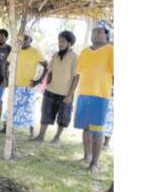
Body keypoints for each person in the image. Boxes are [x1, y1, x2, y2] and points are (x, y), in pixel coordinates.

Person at [73, 26, 114, 175]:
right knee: (86, 128)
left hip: (101, 95)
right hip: (84, 94)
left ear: (107, 35)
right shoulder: (84, 52)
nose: (96, 34)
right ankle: (86, 156)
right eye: (94, 31)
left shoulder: (111, 50)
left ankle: (94, 163)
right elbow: (77, 74)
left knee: (97, 130)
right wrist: (71, 93)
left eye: (100, 31)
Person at [32, 31, 79, 143]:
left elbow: (76, 77)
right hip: (51, 91)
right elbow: (50, 71)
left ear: (69, 43)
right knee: (45, 115)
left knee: (63, 118)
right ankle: (40, 136)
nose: (60, 43)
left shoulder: (75, 57)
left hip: (65, 94)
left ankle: (57, 138)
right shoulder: (55, 55)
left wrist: (70, 95)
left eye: (63, 41)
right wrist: (47, 85)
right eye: (59, 40)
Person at [0, 34, 47, 136]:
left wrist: (38, 81)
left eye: (26, 38)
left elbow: (46, 66)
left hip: (28, 86)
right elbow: (6, 64)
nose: (23, 40)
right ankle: (6, 128)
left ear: (31, 40)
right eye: (21, 38)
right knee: (11, 107)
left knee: (29, 108)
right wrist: (7, 78)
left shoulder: (36, 52)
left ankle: (31, 131)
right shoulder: (15, 51)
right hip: (15, 85)